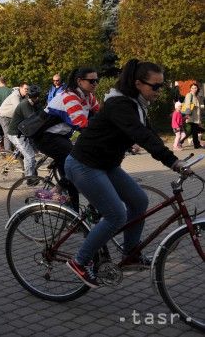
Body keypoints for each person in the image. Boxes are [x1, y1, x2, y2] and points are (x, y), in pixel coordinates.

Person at [64, 59, 189, 288]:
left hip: (106, 164)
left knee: (139, 200)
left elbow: (148, 133)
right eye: (156, 86)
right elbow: (141, 135)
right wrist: (172, 162)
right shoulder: (120, 104)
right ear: (138, 83)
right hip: (84, 165)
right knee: (116, 215)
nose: (160, 91)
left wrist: (174, 158)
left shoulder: (136, 104)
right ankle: (80, 261)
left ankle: (130, 255)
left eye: (162, 86)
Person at [34, 67, 100, 209]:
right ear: (79, 81)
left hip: (60, 137)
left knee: (73, 175)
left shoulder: (88, 96)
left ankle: (73, 212)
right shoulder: (69, 97)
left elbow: (101, 116)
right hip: (46, 138)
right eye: (92, 81)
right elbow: (83, 125)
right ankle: (56, 192)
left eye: (97, 80)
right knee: (76, 162)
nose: (95, 84)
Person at [7, 85, 42, 178]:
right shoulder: (25, 104)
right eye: (35, 96)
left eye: (38, 96)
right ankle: (29, 178)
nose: (37, 98)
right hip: (16, 133)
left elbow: (43, 116)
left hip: (25, 132)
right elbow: (33, 120)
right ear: (29, 96)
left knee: (34, 151)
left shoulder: (36, 103)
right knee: (30, 156)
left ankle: (31, 169)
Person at [0, 82, 29, 152]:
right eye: (25, 89)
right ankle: (8, 154)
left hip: (11, 117)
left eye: (27, 89)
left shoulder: (24, 96)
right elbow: (18, 109)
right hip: (4, 116)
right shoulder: (15, 96)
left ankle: (17, 153)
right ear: (20, 88)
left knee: (17, 133)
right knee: (8, 135)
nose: (26, 90)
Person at [183, 82, 203, 149]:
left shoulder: (196, 96)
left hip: (196, 116)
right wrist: (187, 114)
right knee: (194, 131)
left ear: (197, 89)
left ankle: (181, 141)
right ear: (190, 89)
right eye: (192, 88)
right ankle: (196, 145)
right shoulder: (189, 95)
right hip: (191, 116)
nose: (194, 89)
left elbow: (198, 108)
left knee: (193, 131)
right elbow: (188, 104)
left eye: (195, 88)